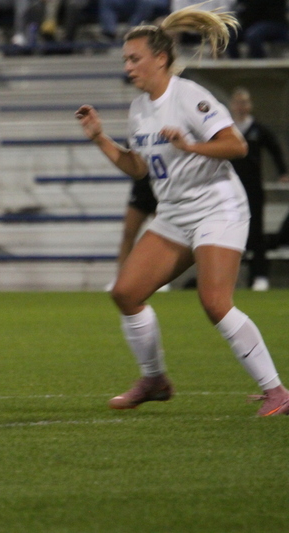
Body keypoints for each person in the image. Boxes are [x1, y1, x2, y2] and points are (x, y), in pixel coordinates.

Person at [75, 5, 289, 416]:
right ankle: (154, 379)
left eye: (134, 58)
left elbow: (236, 146)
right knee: (126, 293)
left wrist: (191, 146)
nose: (129, 66)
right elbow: (140, 168)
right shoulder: (139, 109)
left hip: (217, 208)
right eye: (125, 59)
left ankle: (277, 391)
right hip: (174, 212)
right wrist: (100, 138)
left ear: (160, 58)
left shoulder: (189, 95)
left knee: (214, 302)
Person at [228, 87, 288, 291]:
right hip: (229, 190)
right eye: (238, 102)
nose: (241, 106)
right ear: (232, 105)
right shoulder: (226, 129)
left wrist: (282, 171)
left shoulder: (257, 129)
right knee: (229, 233)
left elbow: (275, 149)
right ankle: (229, 277)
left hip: (253, 187)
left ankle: (260, 276)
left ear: (250, 105)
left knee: (256, 232)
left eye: (245, 102)